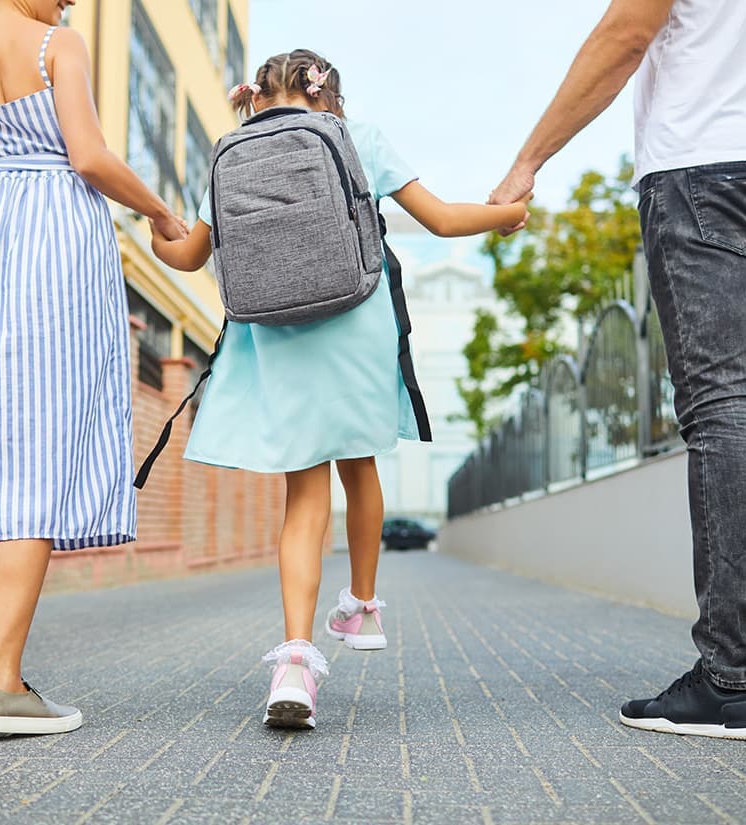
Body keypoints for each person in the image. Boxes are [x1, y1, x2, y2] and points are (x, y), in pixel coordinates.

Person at [149, 48, 532, 730]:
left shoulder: (229, 153)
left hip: (273, 332)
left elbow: (186, 257)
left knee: (303, 492)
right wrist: (501, 217)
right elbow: (441, 220)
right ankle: (361, 606)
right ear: (327, 94)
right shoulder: (357, 138)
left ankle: (293, 663)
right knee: (360, 463)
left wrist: (158, 233)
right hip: (355, 320)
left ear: (258, 95)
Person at [491, 0, 746, 740]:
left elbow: (623, 34)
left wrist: (527, 160)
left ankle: (731, 680)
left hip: (701, 169)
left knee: (719, 409)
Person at [0, 0, 186, 735]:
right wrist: (160, 213)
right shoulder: (59, 43)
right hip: (47, 235)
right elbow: (87, 155)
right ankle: (2, 681)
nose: (70, 2)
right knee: (38, 449)